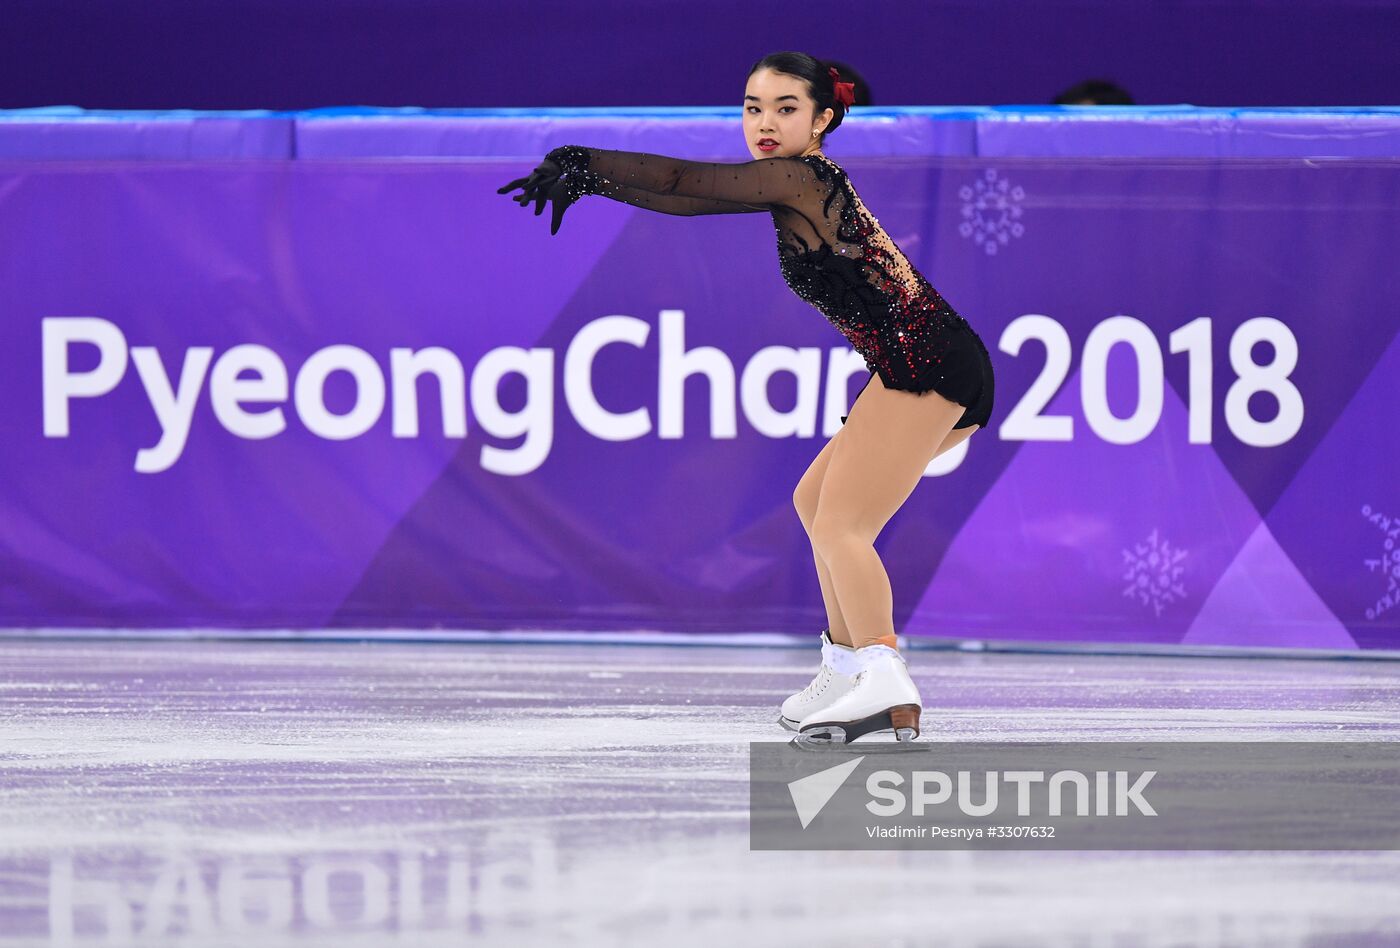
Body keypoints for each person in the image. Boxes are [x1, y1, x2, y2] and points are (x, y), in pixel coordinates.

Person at [497, 50, 995, 744]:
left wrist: (585, 161)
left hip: (929, 362)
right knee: (816, 503)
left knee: (841, 525)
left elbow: (679, 177)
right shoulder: (789, 183)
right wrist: (593, 183)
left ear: (822, 119)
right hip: (914, 361)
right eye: (752, 106)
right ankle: (848, 666)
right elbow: (689, 200)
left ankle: (881, 672)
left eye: (785, 109)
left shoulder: (800, 175)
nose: (763, 122)